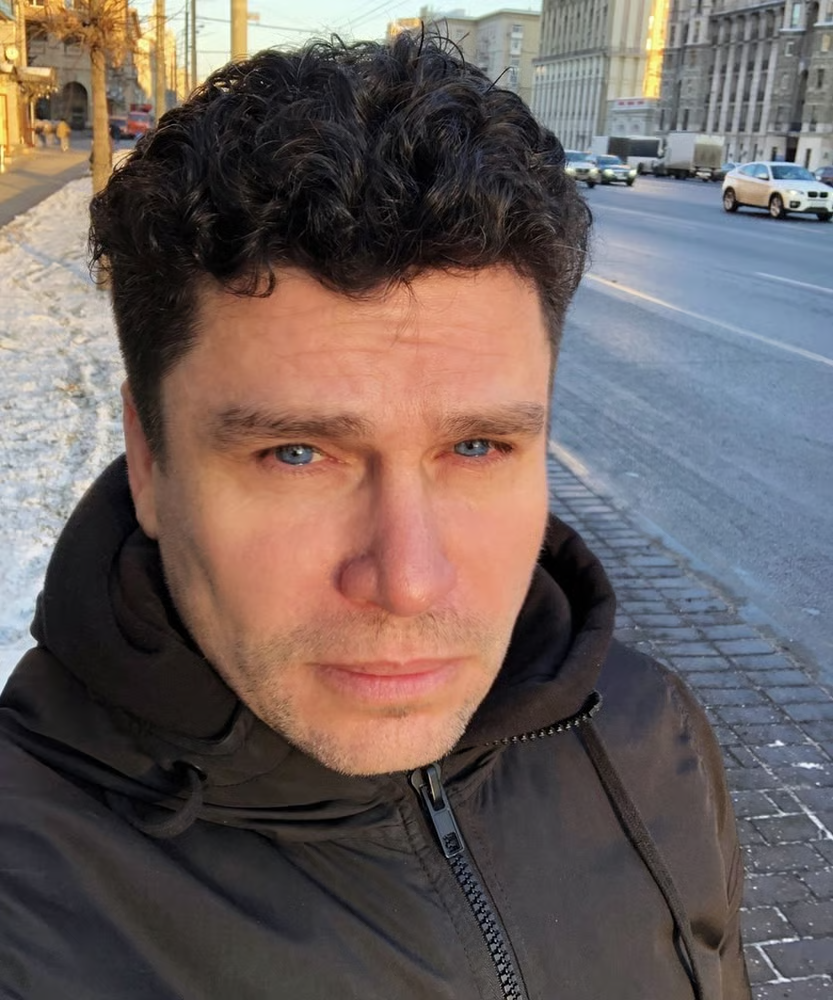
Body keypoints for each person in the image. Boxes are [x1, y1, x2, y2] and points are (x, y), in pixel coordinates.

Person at [0, 36, 751, 999]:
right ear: (148, 461)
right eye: (296, 454)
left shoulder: (650, 737)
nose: (408, 581)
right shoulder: (30, 902)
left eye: (476, 447)